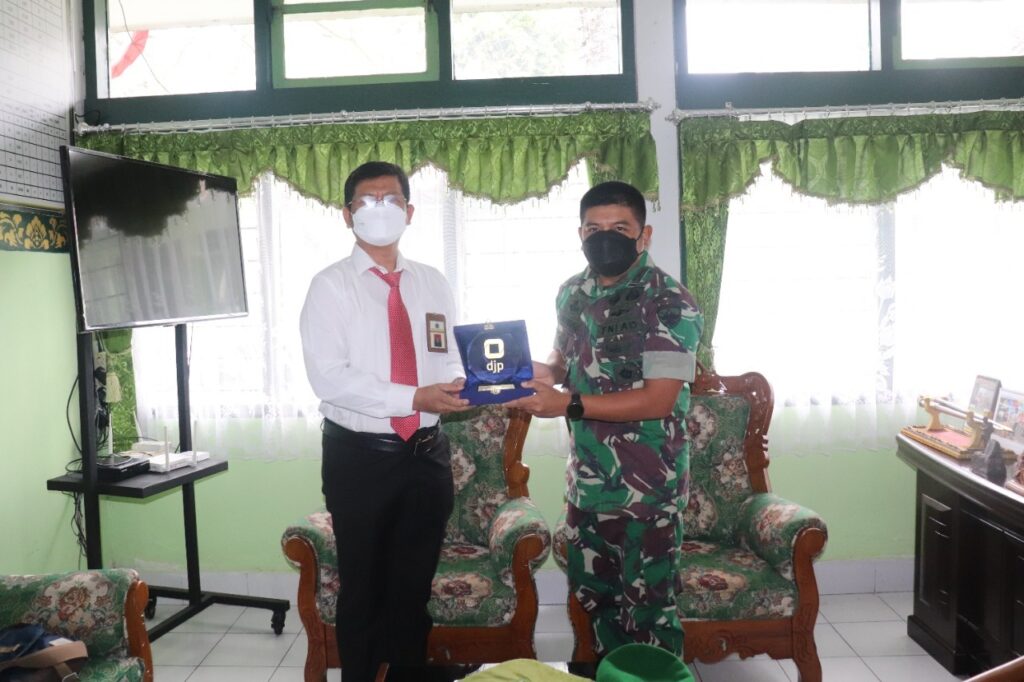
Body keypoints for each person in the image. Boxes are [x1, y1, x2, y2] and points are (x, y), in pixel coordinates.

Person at [509, 180, 704, 661]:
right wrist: (537, 373)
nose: (605, 238)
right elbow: (564, 359)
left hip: (648, 492)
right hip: (588, 485)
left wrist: (567, 404)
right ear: (580, 234)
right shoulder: (572, 292)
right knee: (597, 605)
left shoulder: (669, 301)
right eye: (594, 229)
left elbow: (659, 399)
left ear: (644, 235)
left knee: (649, 616)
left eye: (619, 228)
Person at [299, 161, 470, 682]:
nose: (380, 208)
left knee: (413, 592)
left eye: (391, 199)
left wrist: (467, 383)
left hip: (427, 456)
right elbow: (330, 378)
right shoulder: (330, 286)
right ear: (347, 214)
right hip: (360, 461)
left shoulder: (432, 282)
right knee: (363, 592)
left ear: (409, 212)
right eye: (367, 200)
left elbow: (447, 354)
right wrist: (413, 395)